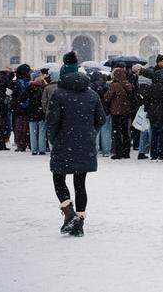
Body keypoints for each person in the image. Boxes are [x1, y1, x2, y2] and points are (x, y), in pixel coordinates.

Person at [46, 52, 107, 237]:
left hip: (64, 142)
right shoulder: (92, 94)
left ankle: (68, 212)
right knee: (80, 183)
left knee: (58, 178)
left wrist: (53, 138)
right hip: (85, 144)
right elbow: (101, 119)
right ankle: (79, 223)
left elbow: (53, 121)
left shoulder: (59, 94)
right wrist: (90, 132)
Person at [103, 67, 135, 160]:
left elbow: (107, 98)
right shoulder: (128, 84)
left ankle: (118, 152)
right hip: (126, 111)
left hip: (116, 112)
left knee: (117, 132)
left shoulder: (114, 85)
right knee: (125, 132)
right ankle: (126, 152)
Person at [147, 55, 163, 161]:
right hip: (162, 111)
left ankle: (153, 154)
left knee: (154, 132)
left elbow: (147, 100)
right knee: (162, 133)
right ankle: (161, 153)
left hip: (153, 112)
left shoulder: (151, 87)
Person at [26, 70, 49, 155]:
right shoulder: (44, 87)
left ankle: (34, 149)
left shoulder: (29, 88)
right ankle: (42, 149)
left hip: (32, 112)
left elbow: (23, 98)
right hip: (41, 112)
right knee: (42, 131)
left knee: (32, 132)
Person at [10, 64, 32, 152]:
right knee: (26, 127)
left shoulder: (16, 83)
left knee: (19, 126)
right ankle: (27, 143)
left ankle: (20, 144)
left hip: (18, 107)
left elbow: (13, 94)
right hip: (28, 108)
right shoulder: (30, 82)